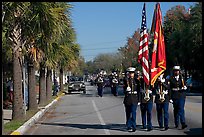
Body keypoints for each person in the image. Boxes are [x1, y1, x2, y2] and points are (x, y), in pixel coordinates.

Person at [123, 67, 141, 132]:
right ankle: (128, 125)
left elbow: (139, 91)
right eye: (130, 73)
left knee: (133, 113)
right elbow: (123, 91)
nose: (131, 74)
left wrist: (139, 100)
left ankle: (134, 126)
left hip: (134, 98)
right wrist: (126, 90)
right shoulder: (126, 80)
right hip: (128, 98)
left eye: (132, 73)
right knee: (128, 113)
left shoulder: (137, 81)